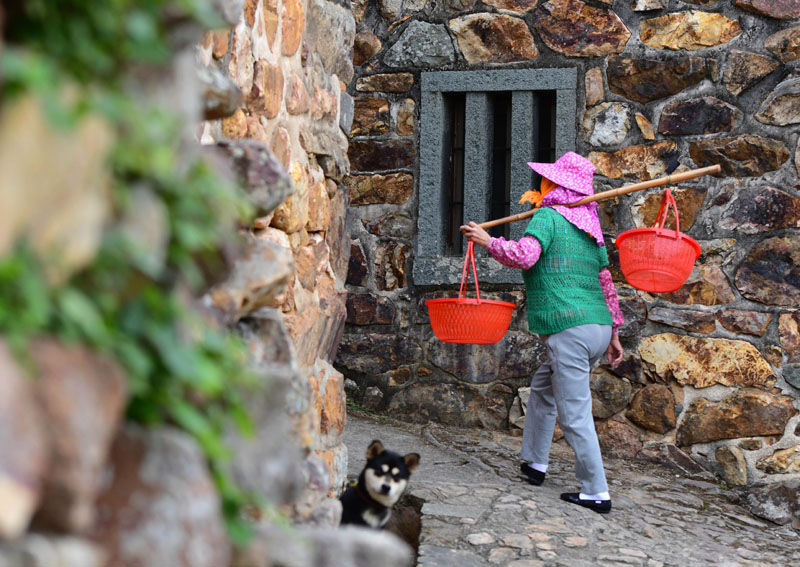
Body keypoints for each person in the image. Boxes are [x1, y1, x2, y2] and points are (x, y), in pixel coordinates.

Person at [460, 151, 624, 514]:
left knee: (575, 411)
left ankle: (596, 490)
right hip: (596, 326)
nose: (541, 186)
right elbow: (605, 282)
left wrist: (487, 241)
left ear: (556, 185)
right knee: (544, 388)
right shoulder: (591, 228)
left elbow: (524, 255)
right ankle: (535, 463)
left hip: (569, 328)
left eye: (546, 181)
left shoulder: (548, 217)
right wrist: (614, 334)